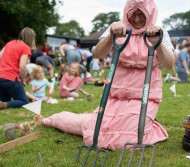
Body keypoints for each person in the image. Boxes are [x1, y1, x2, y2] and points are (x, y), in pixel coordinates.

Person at [39, 0, 175, 150]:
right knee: (95, 133)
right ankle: (54, 120)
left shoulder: (160, 32)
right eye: (133, 14)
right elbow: (97, 53)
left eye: (141, 14)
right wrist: (111, 35)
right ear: (126, 13)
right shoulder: (117, 28)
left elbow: (169, 63)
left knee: (126, 138)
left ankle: (147, 124)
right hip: (116, 93)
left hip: (143, 95)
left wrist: (158, 42)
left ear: (150, 14)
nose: (137, 19)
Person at [0, 27, 36, 109]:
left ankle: (2, 104)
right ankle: (2, 104)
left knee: (7, 102)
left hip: (0, 77)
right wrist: (23, 80)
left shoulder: (9, 43)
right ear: (31, 38)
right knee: (23, 101)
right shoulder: (25, 47)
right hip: (11, 78)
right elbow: (22, 66)